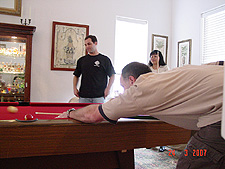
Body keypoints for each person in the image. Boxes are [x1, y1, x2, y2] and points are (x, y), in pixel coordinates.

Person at [58, 61, 225, 168]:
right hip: (218, 107)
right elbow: (218, 63)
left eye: (123, 87)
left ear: (132, 80)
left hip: (220, 114)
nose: (124, 92)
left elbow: (93, 115)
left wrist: (71, 112)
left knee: (190, 162)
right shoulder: (170, 74)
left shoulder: (141, 89)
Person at [73, 35, 115, 103]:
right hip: (84, 96)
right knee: (82, 113)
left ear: (95, 43)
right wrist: (74, 88)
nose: (87, 47)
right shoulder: (81, 60)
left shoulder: (105, 60)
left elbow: (112, 75)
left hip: (99, 96)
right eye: (85, 45)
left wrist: (108, 89)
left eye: (89, 44)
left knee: (99, 113)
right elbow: (76, 75)